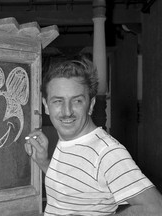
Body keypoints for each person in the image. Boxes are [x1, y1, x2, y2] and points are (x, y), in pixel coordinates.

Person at [24, 54, 162, 215]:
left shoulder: (107, 152)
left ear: (91, 104)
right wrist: (43, 162)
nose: (67, 111)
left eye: (77, 101)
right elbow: (77, 187)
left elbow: (155, 207)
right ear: (46, 106)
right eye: (58, 101)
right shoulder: (70, 141)